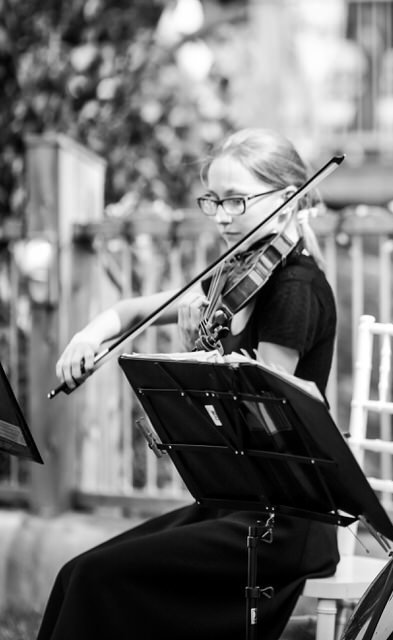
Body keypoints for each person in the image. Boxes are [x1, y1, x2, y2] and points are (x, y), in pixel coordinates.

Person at [38, 128, 339, 640]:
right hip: (235, 504)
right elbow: (133, 310)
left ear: (287, 202)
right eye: (213, 200)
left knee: (99, 579)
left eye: (237, 200)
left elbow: (264, 419)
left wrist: (194, 361)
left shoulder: (293, 290)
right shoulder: (236, 276)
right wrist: (89, 336)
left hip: (280, 522)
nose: (222, 216)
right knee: (76, 574)